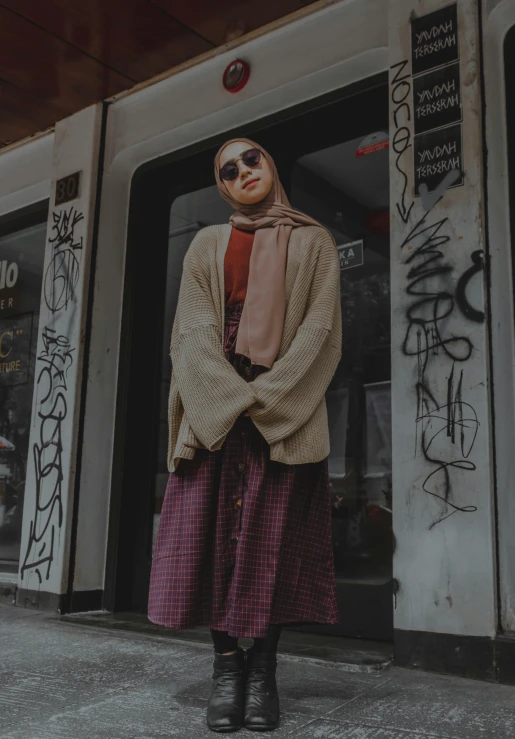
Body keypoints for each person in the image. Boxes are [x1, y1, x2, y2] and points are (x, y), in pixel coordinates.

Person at [148, 138, 342, 733]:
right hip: (216, 410)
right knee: (209, 538)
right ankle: (227, 668)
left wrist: (269, 397)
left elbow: (320, 331)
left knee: (272, 541)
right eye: (228, 171)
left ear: (270, 166)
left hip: (283, 406)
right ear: (223, 187)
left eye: (250, 160)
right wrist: (229, 401)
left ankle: (264, 672)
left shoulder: (314, 241)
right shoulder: (208, 244)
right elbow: (193, 333)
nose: (242, 173)